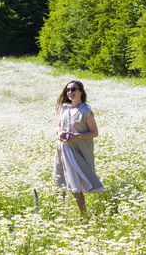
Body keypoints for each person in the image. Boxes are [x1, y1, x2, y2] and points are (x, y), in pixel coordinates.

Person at [53, 80, 104, 214]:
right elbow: (58, 127)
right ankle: (61, 214)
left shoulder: (86, 111)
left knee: (75, 183)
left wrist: (77, 136)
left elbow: (95, 133)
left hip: (77, 152)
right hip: (62, 149)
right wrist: (59, 134)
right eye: (68, 90)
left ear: (80, 91)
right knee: (60, 180)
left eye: (74, 89)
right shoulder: (64, 108)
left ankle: (84, 215)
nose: (70, 92)